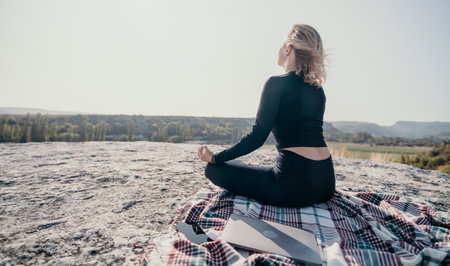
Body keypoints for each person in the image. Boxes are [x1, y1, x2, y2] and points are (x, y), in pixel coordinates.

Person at [197, 24, 335, 208]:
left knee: (214, 170)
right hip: (326, 183)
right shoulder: (318, 90)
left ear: (288, 49)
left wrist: (214, 158)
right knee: (241, 166)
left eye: (281, 45)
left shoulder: (276, 83)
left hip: (293, 187)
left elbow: (257, 137)